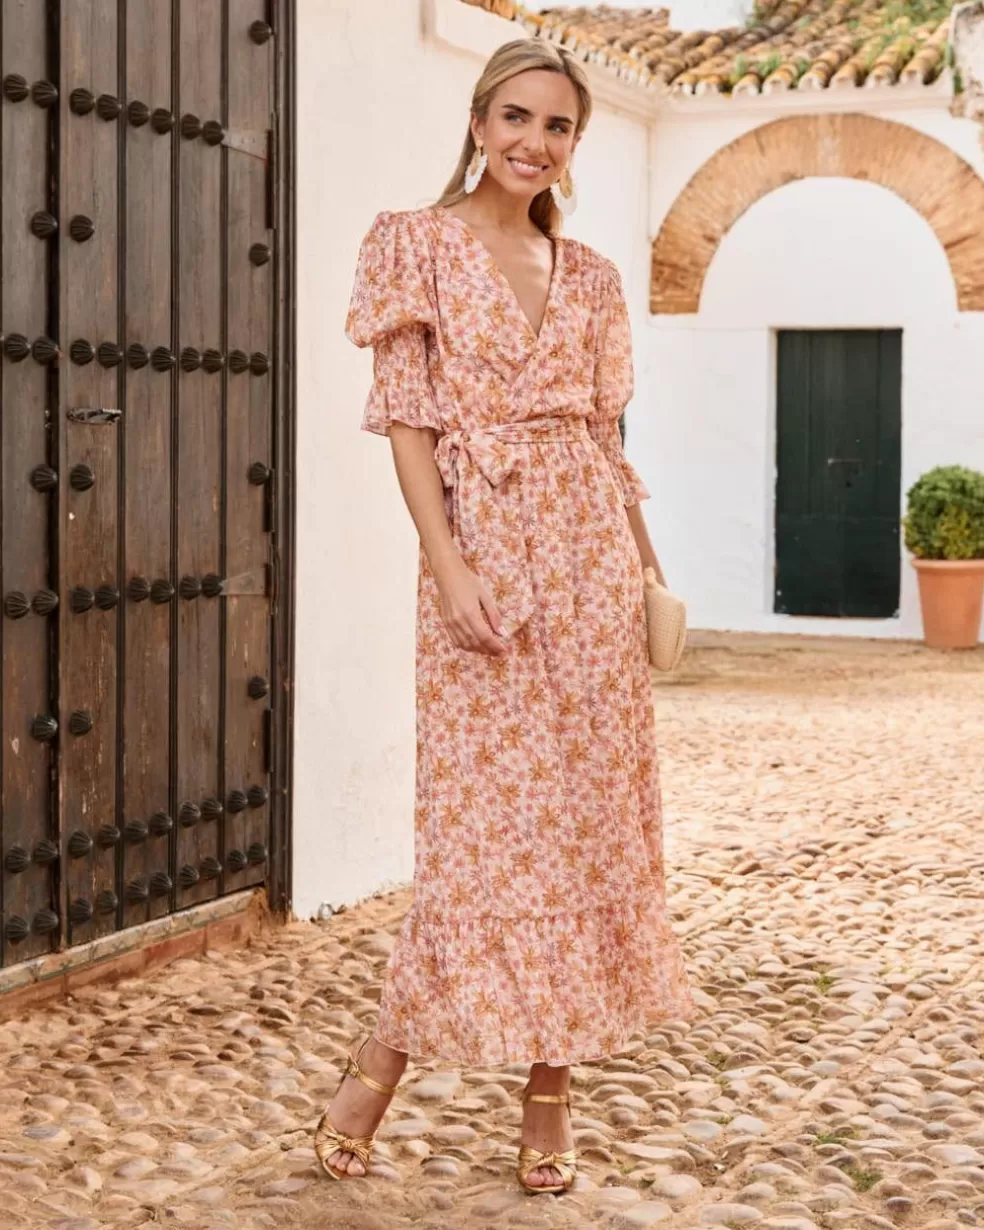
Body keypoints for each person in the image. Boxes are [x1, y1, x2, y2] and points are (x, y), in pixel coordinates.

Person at [316, 37, 699, 1196]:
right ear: (480, 122)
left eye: (559, 127)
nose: (536, 143)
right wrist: (448, 566)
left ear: (575, 145)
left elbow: (601, 441)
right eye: (517, 118)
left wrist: (645, 574)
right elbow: (411, 425)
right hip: (484, 559)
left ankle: (550, 1091)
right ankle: (378, 1064)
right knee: (480, 837)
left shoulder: (589, 277)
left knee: (584, 830)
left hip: (587, 563)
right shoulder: (415, 246)